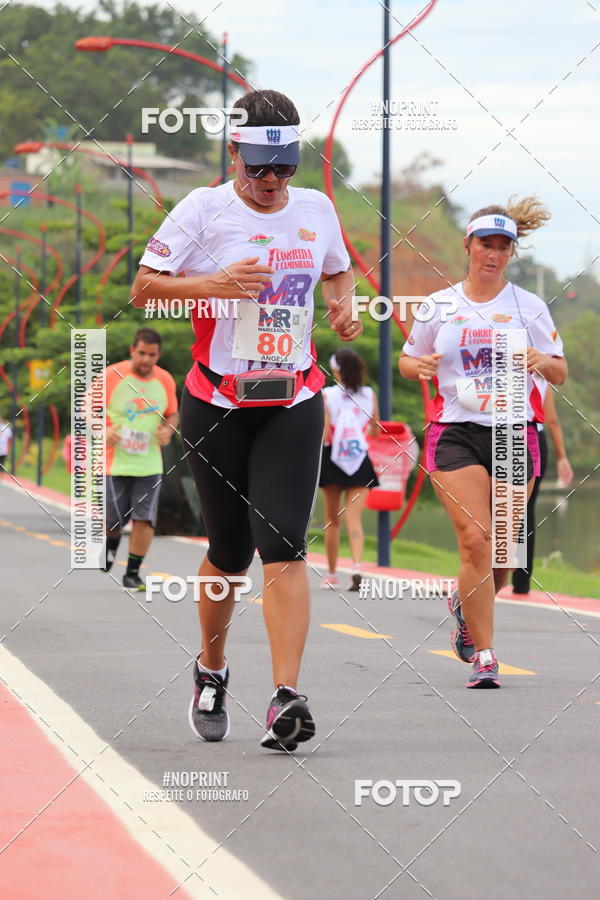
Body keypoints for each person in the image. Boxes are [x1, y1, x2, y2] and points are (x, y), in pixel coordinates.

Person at [131, 90, 360, 751]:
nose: (269, 182)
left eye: (282, 168)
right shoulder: (203, 210)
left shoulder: (316, 211)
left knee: (284, 543)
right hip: (218, 404)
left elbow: (339, 275)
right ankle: (211, 670)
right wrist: (215, 284)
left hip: (292, 400)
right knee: (229, 555)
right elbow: (145, 286)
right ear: (233, 152)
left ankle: (287, 696)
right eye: (257, 166)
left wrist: (344, 309)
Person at [399, 197, 567, 689]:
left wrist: (540, 360)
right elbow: (409, 360)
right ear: (467, 246)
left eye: (502, 247)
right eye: (485, 245)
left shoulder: (529, 307)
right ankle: (486, 655)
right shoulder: (440, 304)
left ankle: (462, 603)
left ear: (511, 253)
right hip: (455, 432)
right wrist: (421, 367)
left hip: (515, 434)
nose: (492, 255)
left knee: (501, 555)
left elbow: (559, 370)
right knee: (474, 539)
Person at [102, 328, 178, 590]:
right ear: (132, 350)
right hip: (114, 462)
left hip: (149, 464)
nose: (146, 360)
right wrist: (103, 429)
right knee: (114, 521)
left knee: (145, 519)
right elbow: (86, 410)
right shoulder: (112, 376)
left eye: (152, 355)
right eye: (142, 353)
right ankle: (111, 546)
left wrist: (168, 430)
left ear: (159, 355)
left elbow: (172, 414)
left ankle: (132, 572)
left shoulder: (165, 380)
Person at [319, 349, 379, 591]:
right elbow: (375, 431)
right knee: (354, 520)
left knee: (332, 521)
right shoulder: (368, 395)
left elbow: (324, 432)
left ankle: (332, 575)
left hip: (332, 457)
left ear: (336, 370)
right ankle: (356, 566)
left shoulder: (327, 395)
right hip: (358, 459)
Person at [512, 388, 573, 594]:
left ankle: (490, 575)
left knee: (501, 507)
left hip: (505, 436)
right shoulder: (540, 372)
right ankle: (521, 584)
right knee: (526, 510)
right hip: (534, 439)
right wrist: (562, 457)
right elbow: (552, 420)